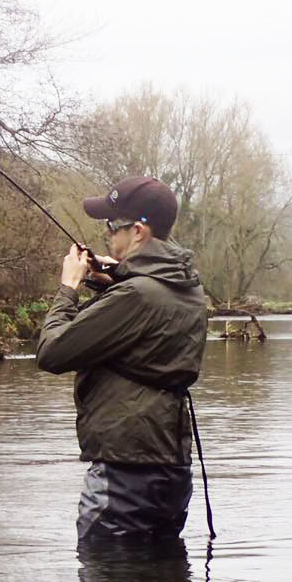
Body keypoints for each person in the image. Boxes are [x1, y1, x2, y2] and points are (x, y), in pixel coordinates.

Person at [36, 176, 208, 542]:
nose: (108, 236)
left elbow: (51, 352)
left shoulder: (136, 296)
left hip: (124, 477)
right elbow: (149, 312)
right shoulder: (189, 288)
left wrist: (69, 288)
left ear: (139, 231)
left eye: (112, 227)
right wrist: (114, 275)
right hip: (170, 470)